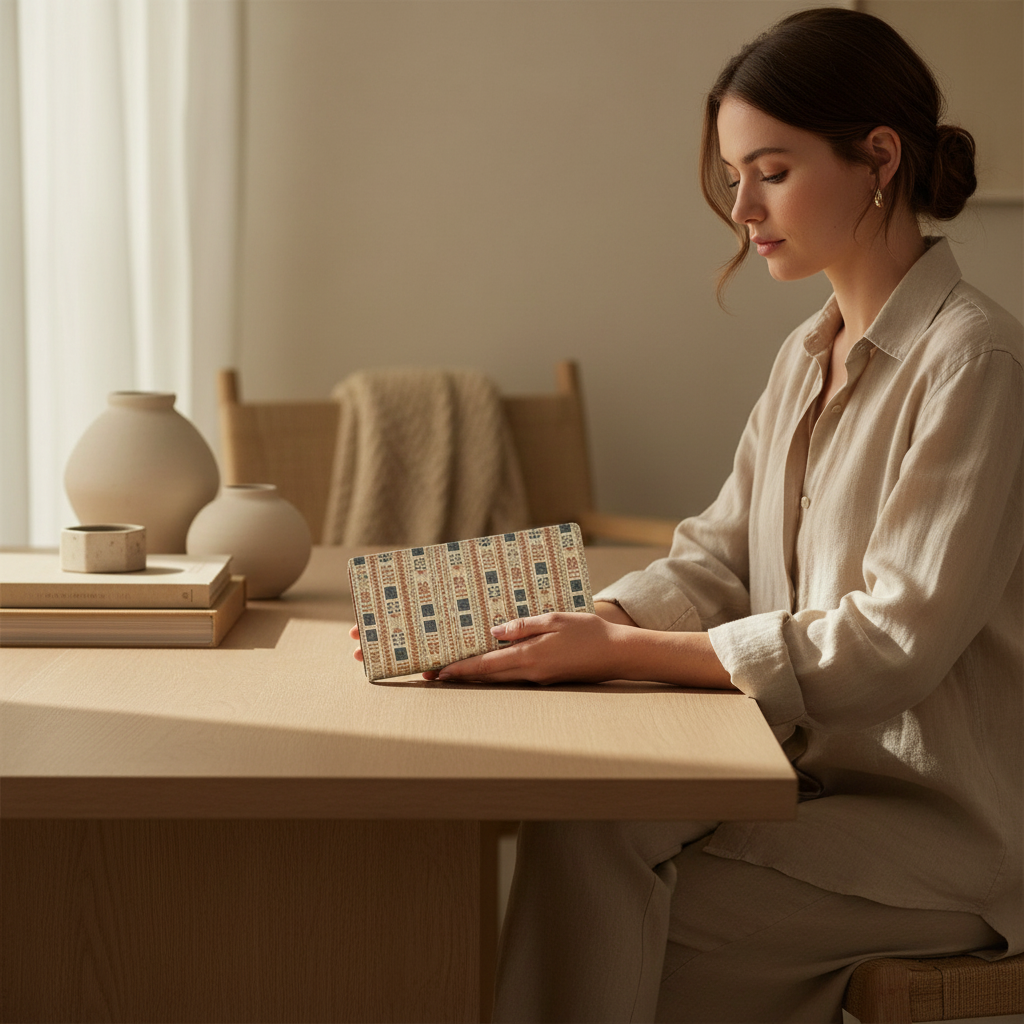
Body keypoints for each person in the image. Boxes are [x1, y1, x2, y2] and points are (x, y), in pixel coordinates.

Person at [350, 8, 1022, 1020]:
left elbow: (891, 644)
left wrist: (633, 655)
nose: (741, 207)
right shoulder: (807, 354)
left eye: (772, 170)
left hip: (938, 828)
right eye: (732, 173)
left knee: (639, 928)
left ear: (878, 158)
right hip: (798, 768)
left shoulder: (973, 363)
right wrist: (580, 628)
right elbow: (717, 555)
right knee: (581, 830)